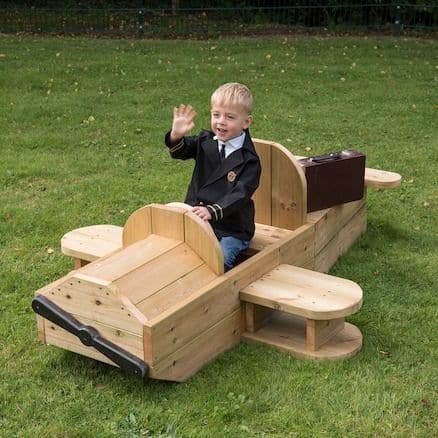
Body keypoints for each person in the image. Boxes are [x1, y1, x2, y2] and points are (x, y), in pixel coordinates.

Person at [165, 82, 261, 271]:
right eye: (216, 114)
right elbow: (181, 151)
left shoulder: (249, 160)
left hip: (231, 228)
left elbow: (240, 195)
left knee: (217, 259)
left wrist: (212, 210)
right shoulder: (205, 141)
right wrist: (176, 135)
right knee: (173, 252)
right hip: (198, 219)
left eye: (230, 117)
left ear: (246, 122)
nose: (221, 121)